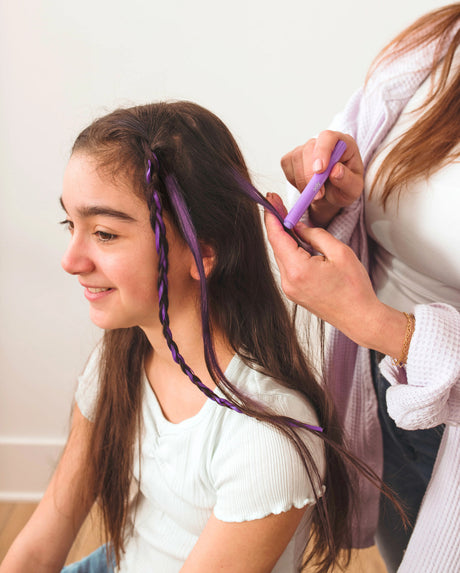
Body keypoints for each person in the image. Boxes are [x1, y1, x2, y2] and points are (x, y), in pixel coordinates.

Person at [1, 101, 372, 573]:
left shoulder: (266, 439)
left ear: (202, 252)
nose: (71, 260)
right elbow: (40, 543)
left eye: (105, 233)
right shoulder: (119, 358)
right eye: (70, 225)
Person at [265, 4, 460, 573]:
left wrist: (378, 324)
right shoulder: (432, 50)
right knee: (407, 548)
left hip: (410, 358)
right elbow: (366, 190)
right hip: (391, 384)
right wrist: (332, 196)